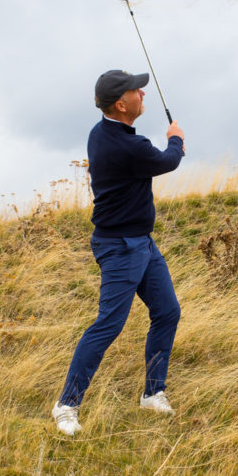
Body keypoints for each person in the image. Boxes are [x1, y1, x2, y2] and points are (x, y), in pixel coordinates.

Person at [52, 69, 185, 436]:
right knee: (108, 324)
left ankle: (153, 393)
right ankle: (67, 405)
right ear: (121, 103)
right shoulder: (128, 146)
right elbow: (168, 161)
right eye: (135, 90)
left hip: (141, 241)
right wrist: (176, 139)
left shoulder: (105, 133)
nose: (143, 92)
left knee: (167, 311)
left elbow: (149, 161)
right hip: (120, 246)